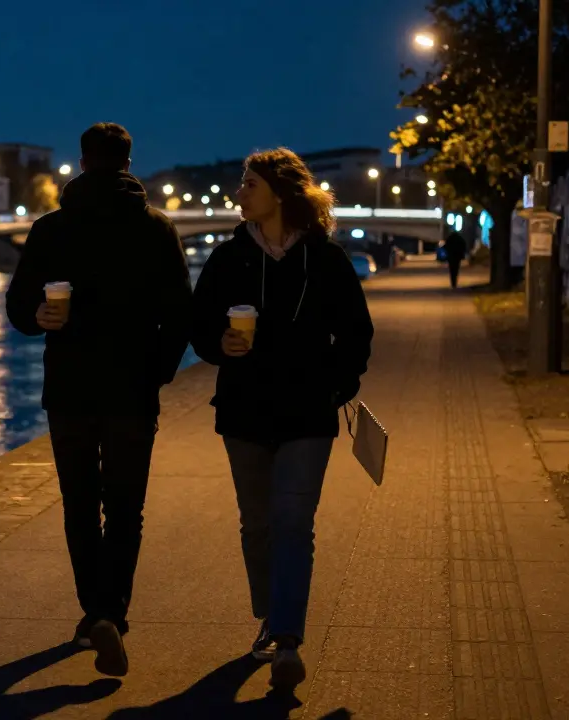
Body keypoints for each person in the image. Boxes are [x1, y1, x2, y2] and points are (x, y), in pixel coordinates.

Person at [5, 122, 192, 677]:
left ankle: (94, 611)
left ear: (83, 164)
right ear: (129, 165)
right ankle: (112, 610)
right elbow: (180, 313)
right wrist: (157, 372)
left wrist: (40, 318)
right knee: (126, 510)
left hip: (69, 390)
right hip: (133, 390)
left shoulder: (51, 230)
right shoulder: (157, 229)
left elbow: (19, 307)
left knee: (80, 506)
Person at [190, 148, 373, 690]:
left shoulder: (327, 260)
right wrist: (218, 345)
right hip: (244, 413)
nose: (238, 193)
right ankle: (271, 616)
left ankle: (287, 637)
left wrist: (337, 385)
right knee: (259, 524)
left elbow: (357, 334)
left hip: (307, 415)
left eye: (249, 184)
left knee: (294, 522)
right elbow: (197, 326)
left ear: (280, 192)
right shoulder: (227, 259)